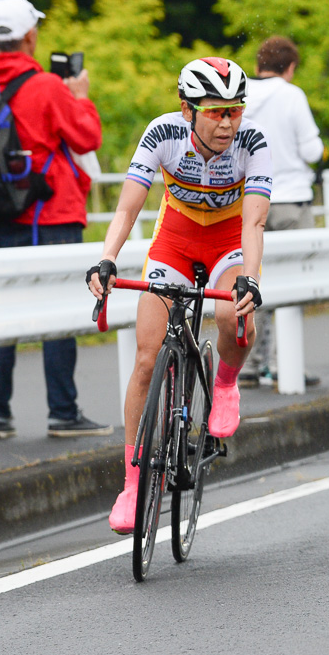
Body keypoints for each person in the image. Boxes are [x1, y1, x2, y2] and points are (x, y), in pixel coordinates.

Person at [87, 57, 271, 534]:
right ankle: (131, 485)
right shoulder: (162, 134)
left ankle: (226, 383)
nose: (227, 123)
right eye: (215, 112)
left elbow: (254, 221)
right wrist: (108, 260)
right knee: (147, 360)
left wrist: (249, 278)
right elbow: (128, 209)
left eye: (235, 110)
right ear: (187, 109)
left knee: (235, 317)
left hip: (229, 241)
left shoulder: (253, 141)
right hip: (175, 240)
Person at [0, 0, 109, 440]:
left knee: (2, 313)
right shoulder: (47, 86)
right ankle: (63, 413)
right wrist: (80, 97)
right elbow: (86, 137)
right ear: (30, 35)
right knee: (60, 311)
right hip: (52, 211)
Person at [238, 36, 323, 389]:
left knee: (253, 281)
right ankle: (286, 363)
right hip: (290, 201)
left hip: (251, 202)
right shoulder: (292, 95)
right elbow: (312, 150)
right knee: (292, 285)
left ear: (259, 66)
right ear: (289, 67)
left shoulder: (239, 95)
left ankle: (251, 363)